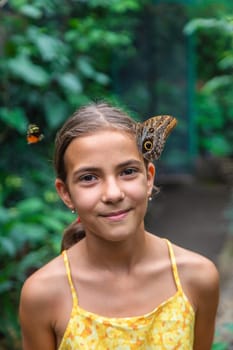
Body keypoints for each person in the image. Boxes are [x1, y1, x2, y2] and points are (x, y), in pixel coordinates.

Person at [19, 102, 219, 350]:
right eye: (89, 178)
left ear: (149, 178)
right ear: (65, 193)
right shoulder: (43, 294)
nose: (113, 194)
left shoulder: (197, 277)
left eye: (127, 171)